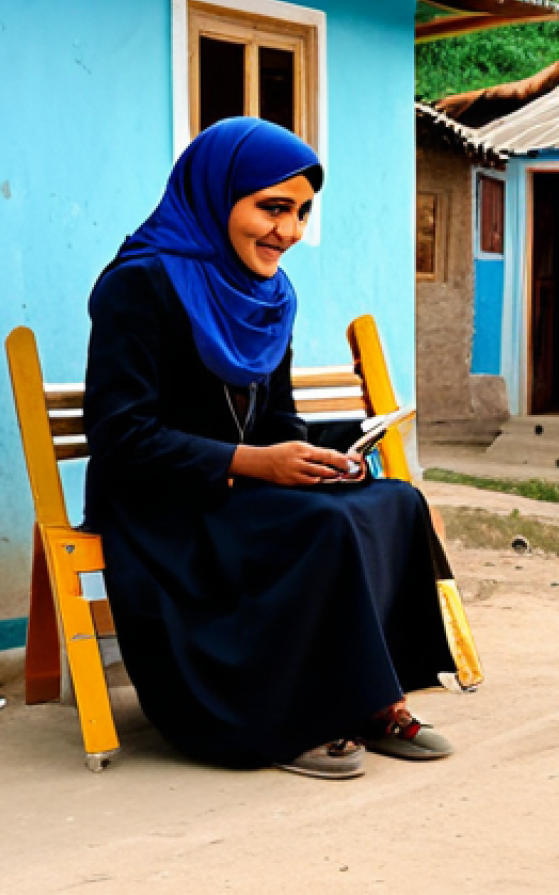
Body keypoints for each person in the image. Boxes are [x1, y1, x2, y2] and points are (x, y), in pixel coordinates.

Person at [83, 117, 456, 780]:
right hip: (160, 505)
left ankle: (371, 699)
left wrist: (321, 457)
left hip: (237, 490)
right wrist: (254, 463)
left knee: (394, 501)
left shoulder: (269, 294)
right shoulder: (136, 286)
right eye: (271, 208)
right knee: (322, 529)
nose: (288, 231)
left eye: (302, 212)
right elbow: (120, 433)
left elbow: (276, 416)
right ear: (216, 195)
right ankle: (286, 719)